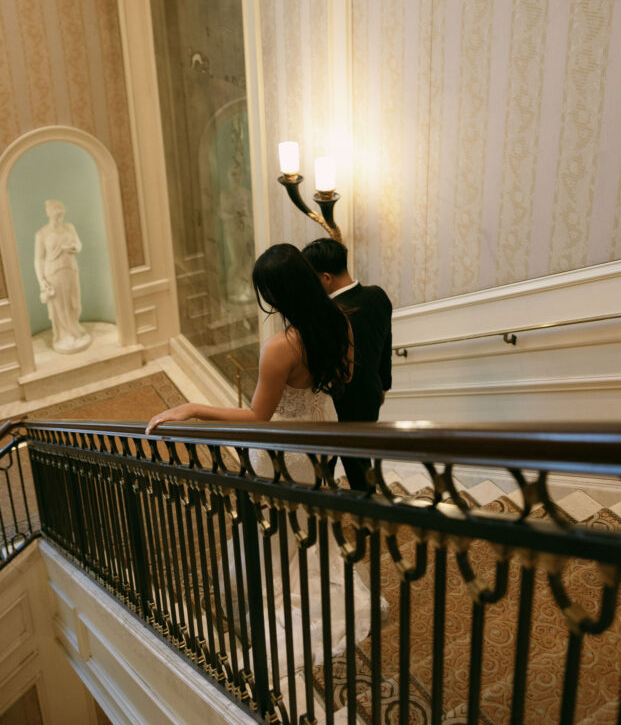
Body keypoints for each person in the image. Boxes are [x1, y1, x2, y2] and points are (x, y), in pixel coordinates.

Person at [146, 243, 372, 666]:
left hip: (286, 453)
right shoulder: (340, 321)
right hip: (322, 435)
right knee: (305, 520)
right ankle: (308, 578)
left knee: (273, 529)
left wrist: (194, 407)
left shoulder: (281, 347)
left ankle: (274, 593)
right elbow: (343, 376)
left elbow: (256, 417)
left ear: (274, 295)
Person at [301, 238, 392, 490]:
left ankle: (326, 514)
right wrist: (384, 386)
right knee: (361, 465)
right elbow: (386, 347)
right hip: (371, 396)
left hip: (336, 402)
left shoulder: (329, 313)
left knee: (324, 464)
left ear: (326, 277)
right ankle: (368, 519)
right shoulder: (378, 295)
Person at [34, 200, 91, 354]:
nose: (59, 214)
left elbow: (79, 245)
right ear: (49, 212)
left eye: (61, 211)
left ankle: (74, 326)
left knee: (74, 301)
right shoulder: (42, 233)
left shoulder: (69, 227)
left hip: (71, 268)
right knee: (60, 304)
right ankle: (65, 335)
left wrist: (74, 248)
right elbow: (38, 259)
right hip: (53, 272)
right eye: (56, 211)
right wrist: (41, 282)